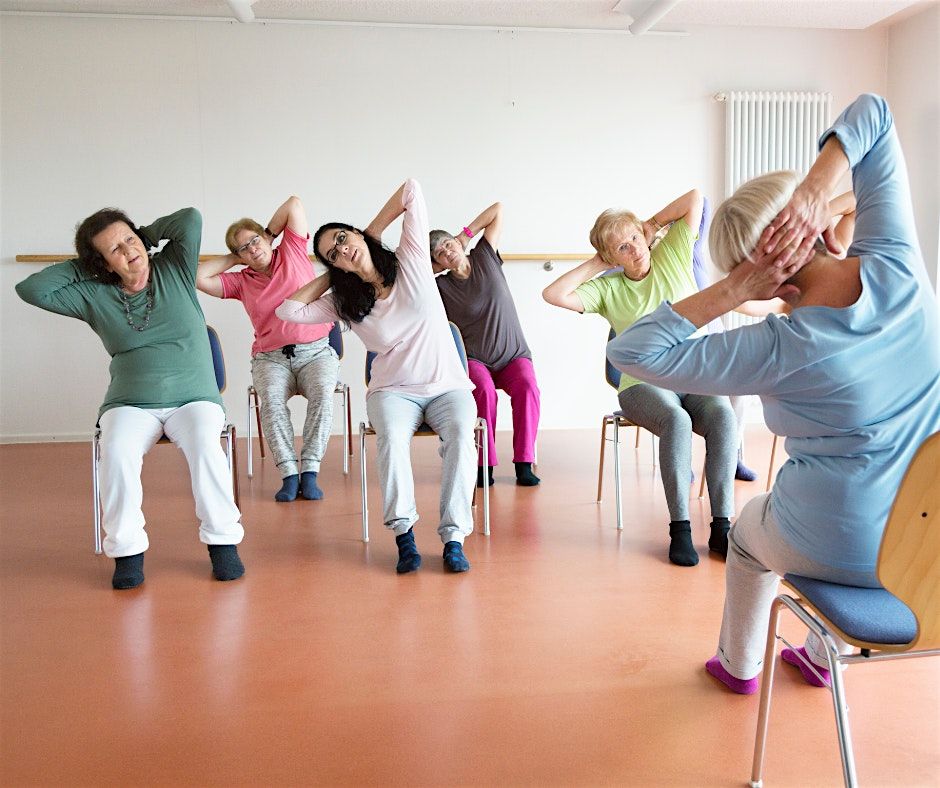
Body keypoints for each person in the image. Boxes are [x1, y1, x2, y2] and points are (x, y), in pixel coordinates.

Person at [605, 94, 940, 693]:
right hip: (928, 537)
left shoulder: (775, 348)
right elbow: (876, 114)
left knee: (747, 535)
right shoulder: (899, 266)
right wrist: (817, 188)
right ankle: (819, 655)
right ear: (818, 223)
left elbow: (630, 353)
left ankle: (739, 666)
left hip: (844, 541)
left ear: (765, 281)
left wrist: (733, 291)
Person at [16, 207, 245, 589]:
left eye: (129, 240)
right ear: (102, 263)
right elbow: (31, 289)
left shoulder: (174, 267)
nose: (128, 251)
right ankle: (127, 552)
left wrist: (144, 234)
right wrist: (86, 265)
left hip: (195, 399)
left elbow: (189, 218)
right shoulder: (94, 295)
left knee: (206, 447)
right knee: (117, 450)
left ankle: (223, 544)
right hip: (130, 403)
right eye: (114, 250)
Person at [275, 180, 477, 574]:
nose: (342, 250)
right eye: (332, 254)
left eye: (342, 238)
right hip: (393, 392)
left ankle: (454, 538)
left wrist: (370, 233)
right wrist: (334, 274)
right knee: (392, 439)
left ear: (354, 232)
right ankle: (404, 536)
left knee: (461, 436)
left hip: (447, 387)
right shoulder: (343, 301)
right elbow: (288, 311)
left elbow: (412, 190)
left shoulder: (411, 258)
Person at [542, 189, 737, 567]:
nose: (634, 249)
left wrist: (652, 224)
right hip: (641, 386)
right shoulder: (607, 288)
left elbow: (694, 198)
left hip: (693, 377)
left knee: (724, 418)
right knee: (677, 421)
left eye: (634, 238)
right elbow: (554, 293)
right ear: (611, 257)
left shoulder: (673, 254)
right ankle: (680, 528)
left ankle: (721, 528)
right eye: (621, 248)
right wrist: (596, 264)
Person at [196, 197, 338, 503]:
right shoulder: (240, 282)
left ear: (265, 237)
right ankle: (289, 474)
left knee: (323, 395)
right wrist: (234, 259)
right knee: (271, 403)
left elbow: (294, 205)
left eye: (254, 241)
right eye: (243, 249)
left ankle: (310, 471)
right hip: (271, 359)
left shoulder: (292, 251)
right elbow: (198, 278)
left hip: (316, 352)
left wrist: (271, 236)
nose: (252, 249)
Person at [430, 202, 541, 488]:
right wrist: (434, 266)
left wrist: (464, 236)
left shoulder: (484, 256)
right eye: (439, 253)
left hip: (513, 355)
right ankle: (483, 464)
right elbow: (411, 277)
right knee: (484, 392)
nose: (447, 251)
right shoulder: (440, 286)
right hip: (476, 359)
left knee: (528, 386)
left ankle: (524, 463)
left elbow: (497, 210)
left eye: (447, 244)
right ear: (437, 263)